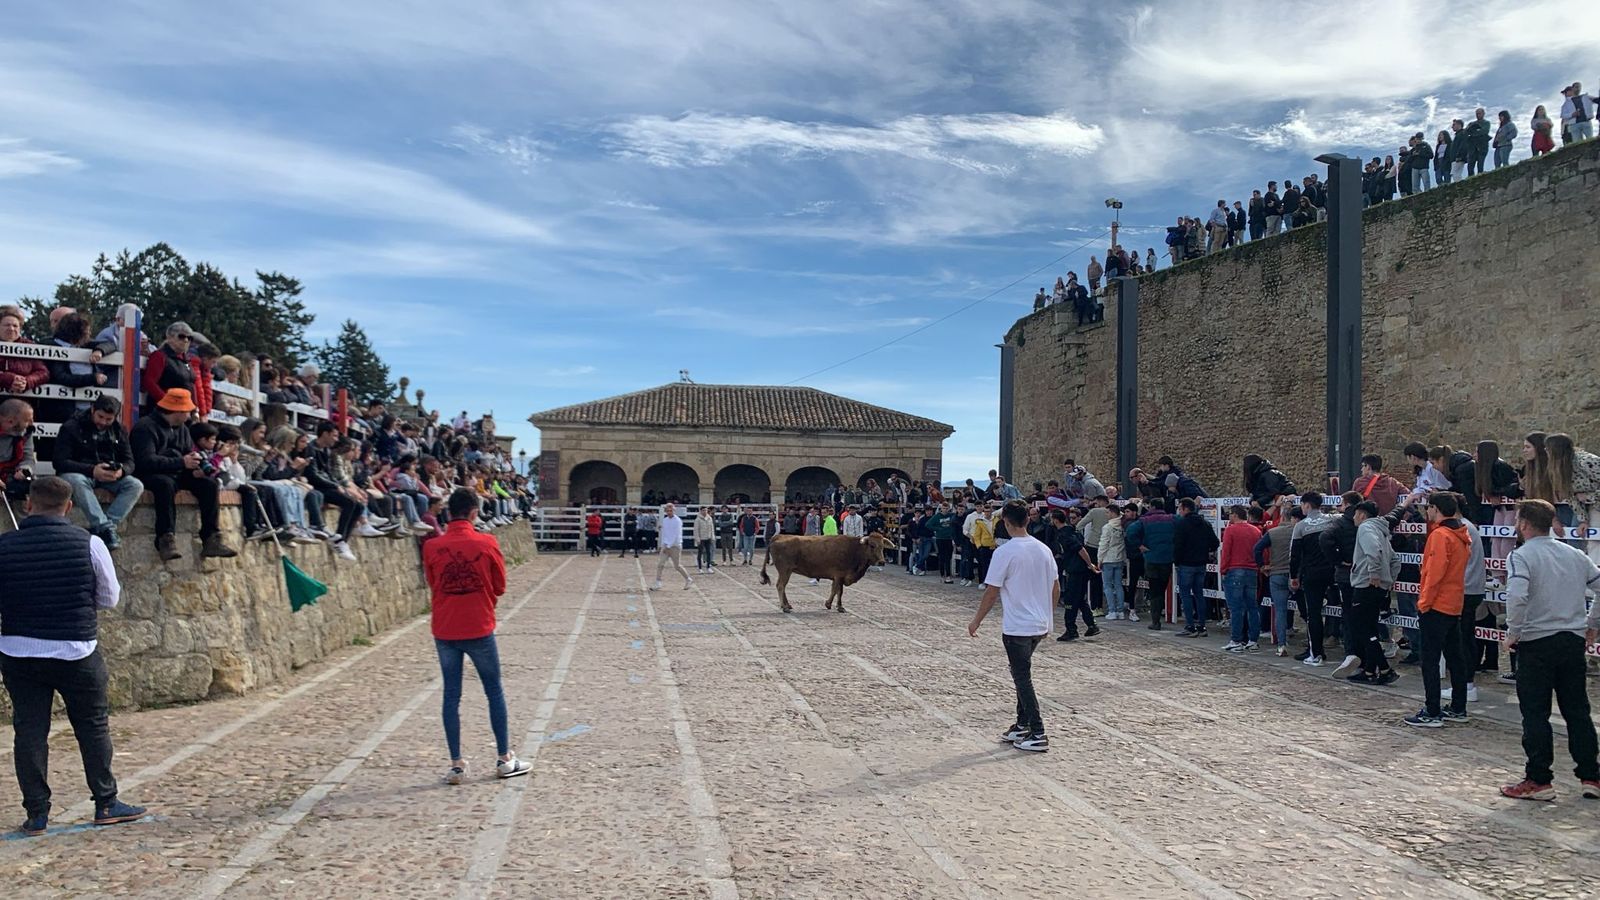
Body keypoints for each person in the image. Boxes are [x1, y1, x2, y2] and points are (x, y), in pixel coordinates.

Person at [0, 475, 148, 836]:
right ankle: (106, 802)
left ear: (28, 504)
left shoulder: (4, 546)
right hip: (76, 648)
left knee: (30, 730)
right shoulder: (89, 542)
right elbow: (109, 598)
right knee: (92, 726)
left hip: (19, 650)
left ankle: (37, 813)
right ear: (69, 507)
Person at [424, 487, 529, 785]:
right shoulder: (486, 542)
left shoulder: (432, 546)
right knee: (493, 690)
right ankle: (504, 758)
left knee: (451, 695)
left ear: (448, 512)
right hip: (478, 626)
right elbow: (500, 585)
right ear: (474, 512)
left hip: (445, 629)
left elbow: (433, 583)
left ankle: (456, 764)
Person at [1497, 499, 1600, 801]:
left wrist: (1513, 633)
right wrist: (1593, 622)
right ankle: (1591, 775)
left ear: (1525, 524)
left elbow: (1517, 596)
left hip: (1536, 641)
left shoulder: (1522, 556)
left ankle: (1539, 778)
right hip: (1572, 639)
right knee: (1577, 710)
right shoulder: (1574, 554)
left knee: (1535, 712)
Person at [967, 501, 1057, 753]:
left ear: (1006, 522)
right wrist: (1048, 618)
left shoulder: (1005, 552)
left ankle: (1038, 731)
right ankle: (1021, 724)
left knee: (1022, 678)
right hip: (1038, 624)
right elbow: (1055, 586)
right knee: (1021, 673)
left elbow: (992, 591)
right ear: (1027, 520)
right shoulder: (1043, 550)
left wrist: (976, 620)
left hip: (1018, 626)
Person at [128, 389, 235, 562]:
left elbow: (187, 454)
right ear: (177, 411)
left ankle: (211, 537)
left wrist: (197, 468)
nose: (190, 415)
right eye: (187, 411)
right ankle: (165, 538)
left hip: (178, 472)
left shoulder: (183, 429)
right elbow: (145, 461)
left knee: (209, 484)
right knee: (165, 485)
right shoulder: (145, 427)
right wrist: (181, 463)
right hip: (151, 474)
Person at [1406, 493, 1472, 728]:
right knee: (1456, 657)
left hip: (1436, 605)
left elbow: (1433, 574)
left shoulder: (1440, 536)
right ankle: (1458, 706)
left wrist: (1424, 603)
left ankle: (1432, 710)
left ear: (1435, 509)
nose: (1427, 512)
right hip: (1454, 603)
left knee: (1431, 660)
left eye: (1429, 508)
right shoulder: (1462, 535)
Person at [51, 395, 142, 550]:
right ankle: (104, 527)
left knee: (135, 485)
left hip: (108, 475)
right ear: (93, 409)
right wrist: (92, 470)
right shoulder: (71, 427)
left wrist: (121, 471)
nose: (103, 422)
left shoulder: (119, 430)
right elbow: (59, 461)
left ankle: (105, 527)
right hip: (79, 472)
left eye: (108, 419)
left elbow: (130, 461)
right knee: (76, 481)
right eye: (100, 417)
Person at [1338, 501, 1403, 684]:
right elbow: (1395, 560)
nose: (1353, 517)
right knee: (1370, 628)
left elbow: (1373, 551)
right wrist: (1389, 579)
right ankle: (1369, 671)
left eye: (1356, 513)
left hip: (1366, 585)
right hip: (1379, 588)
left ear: (1363, 515)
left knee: (1360, 628)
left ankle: (1384, 669)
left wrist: (1374, 574)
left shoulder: (1366, 529)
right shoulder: (1381, 531)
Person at [1289, 492, 1337, 666]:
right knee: (1346, 611)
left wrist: (1293, 576)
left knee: (1313, 614)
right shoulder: (1332, 520)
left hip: (1312, 573)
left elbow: (1294, 555)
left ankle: (1316, 653)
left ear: (1306, 505)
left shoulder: (1301, 526)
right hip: (1333, 571)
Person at [1256, 505, 1300, 655]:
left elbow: (1257, 548)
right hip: (1295, 575)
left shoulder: (1273, 533)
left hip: (1277, 573)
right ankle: (1312, 644)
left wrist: (1262, 566)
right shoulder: (1297, 532)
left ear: (1281, 516)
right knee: (1306, 609)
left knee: (1280, 610)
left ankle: (1282, 644)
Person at [1125, 500, 1175, 630]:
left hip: (1151, 558)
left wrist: (1139, 545)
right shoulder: (1171, 519)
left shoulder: (1144, 520)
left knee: (1154, 590)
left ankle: (1155, 621)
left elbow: (1130, 532)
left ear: (1151, 507)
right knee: (1162, 588)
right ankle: (1159, 613)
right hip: (1167, 558)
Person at [1172, 497, 1218, 637]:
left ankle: (1190, 626)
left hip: (1186, 563)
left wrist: (1176, 561)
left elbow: (1177, 545)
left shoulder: (1182, 524)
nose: (1179, 511)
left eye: (1180, 508)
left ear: (1185, 508)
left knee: (1186, 595)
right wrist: (1206, 551)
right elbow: (1215, 543)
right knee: (1199, 595)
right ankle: (1202, 626)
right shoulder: (1205, 523)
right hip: (1201, 564)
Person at [1218, 505, 1261, 652]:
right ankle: (1253, 640)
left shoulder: (1231, 530)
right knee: (1252, 607)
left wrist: (1223, 569)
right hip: (1252, 570)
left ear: (1235, 515)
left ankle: (1236, 639)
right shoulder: (1256, 531)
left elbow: (1226, 551)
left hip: (1235, 569)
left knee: (1235, 608)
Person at [1053, 509, 1100, 641]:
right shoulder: (1073, 531)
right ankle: (1091, 625)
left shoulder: (1066, 534)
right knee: (1079, 599)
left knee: (1070, 600)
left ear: (1055, 520)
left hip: (1075, 570)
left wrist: (1090, 564)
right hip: (1077, 569)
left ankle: (1071, 629)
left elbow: (1080, 549)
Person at [1098, 503, 1130, 620]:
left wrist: (1099, 559)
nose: (1106, 515)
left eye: (1107, 512)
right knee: (1118, 585)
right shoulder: (1122, 525)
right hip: (1120, 558)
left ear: (1112, 513)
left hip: (1108, 559)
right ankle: (1120, 610)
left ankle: (1112, 610)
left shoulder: (1108, 527)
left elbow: (1103, 544)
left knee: (1107, 586)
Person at [651, 502, 693, 590]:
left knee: (677, 566)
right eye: (668, 510)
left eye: (671, 510)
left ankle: (688, 579)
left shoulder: (677, 521)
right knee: (660, 564)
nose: (669, 512)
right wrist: (662, 545)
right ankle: (658, 582)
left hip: (675, 546)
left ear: (674, 510)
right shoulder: (665, 520)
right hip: (666, 545)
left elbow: (675, 535)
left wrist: (668, 546)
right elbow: (665, 534)